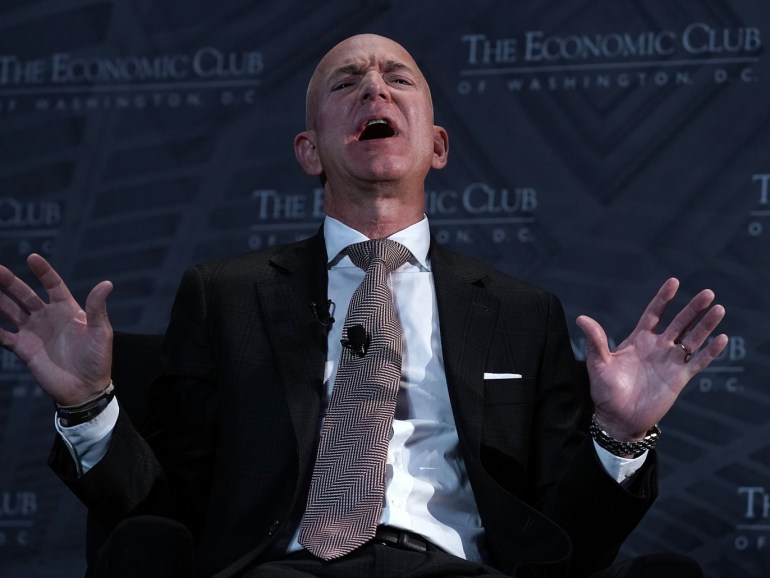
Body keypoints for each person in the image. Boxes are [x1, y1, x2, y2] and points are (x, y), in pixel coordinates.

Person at [0, 34, 727, 578]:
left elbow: (571, 537)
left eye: (396, 79)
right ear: (310, 149)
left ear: (437, 145)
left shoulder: (519, 312)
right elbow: (163, 508)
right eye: (348, 82)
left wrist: (621, 436)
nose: (374, 91)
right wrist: (89, 404)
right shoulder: (225, 296)